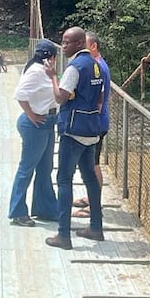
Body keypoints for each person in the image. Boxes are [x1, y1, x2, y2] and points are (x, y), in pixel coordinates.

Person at [45, 27, 108, 250]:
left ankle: (63, 235)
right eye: (62, 42)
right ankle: (96, 228)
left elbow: (61, 98)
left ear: (79, 43)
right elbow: (100, 97)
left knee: (64, 179)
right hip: (92, 129)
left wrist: (53, 78)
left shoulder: (74, 67)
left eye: (67, 43)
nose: (63, 47)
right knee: (90, 178)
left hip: (73, 131)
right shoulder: (96, 65)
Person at [8, 39, 60, 227]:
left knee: (45, 168)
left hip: (48, 123)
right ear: (52, 57)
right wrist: (31, 114)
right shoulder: (37, 71)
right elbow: (20, 94)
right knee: (26, 168)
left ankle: (46, 209)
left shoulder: (44, 71)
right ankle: (18, 212)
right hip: (36, 125)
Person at [73, 31, 110, 218]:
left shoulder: (98, 68)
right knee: (90, 163)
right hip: (96, 121)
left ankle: (95, 206)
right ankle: (91, 198)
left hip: (96, 123)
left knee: (93, 165)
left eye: (84, 45)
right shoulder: (97, 65)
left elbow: (99, 100)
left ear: (93, 46)